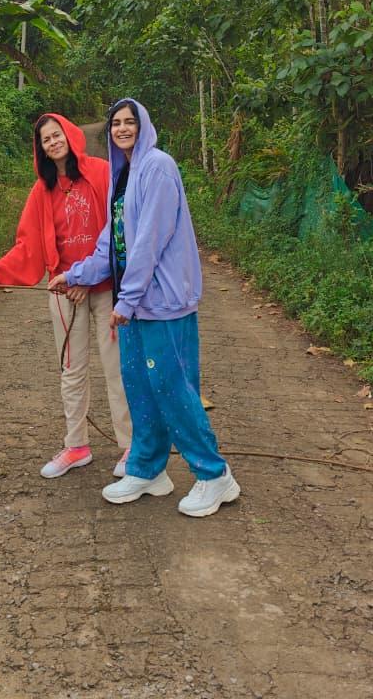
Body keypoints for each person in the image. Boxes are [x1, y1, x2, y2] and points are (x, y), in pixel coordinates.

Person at [49, 98, 241, 518]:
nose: (121, 128)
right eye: (115, 123)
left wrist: (128, 298)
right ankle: (148, 469)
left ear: (143, 125)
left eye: (128, 122)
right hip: (134, 306)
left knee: (172, 388)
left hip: (163, 303)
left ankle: (214, 475)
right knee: (138, 385)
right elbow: (110, 241)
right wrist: (76, 274)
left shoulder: (157, 167)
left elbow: (148, 241)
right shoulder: (123, 174)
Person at [0, 113, 131, 479]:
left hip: (105, 290)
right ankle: (77, 445)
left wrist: (88, 277)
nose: (53, 142)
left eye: (57, 135)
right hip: (62, 292)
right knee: (71, 370)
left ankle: (131, 447)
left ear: (69, 135)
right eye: (45, 140)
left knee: (118, 368)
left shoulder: (102, 173)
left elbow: (118, 231)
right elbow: (27, 246)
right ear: (39, 149)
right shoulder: (42, 191)